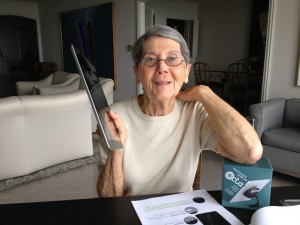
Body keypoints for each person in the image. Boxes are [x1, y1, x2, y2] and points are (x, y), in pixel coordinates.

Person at [96, 24, 263, 197]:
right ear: (137, 73)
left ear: (186, 72)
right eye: (150, 59)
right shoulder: (113, 117)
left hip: (181, 212)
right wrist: (116, 148)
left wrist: (204, 93)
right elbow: (109, 201)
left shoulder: (196, 111)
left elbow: (250, 152)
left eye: (172, 59)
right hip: (133, 212)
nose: (162, 68)